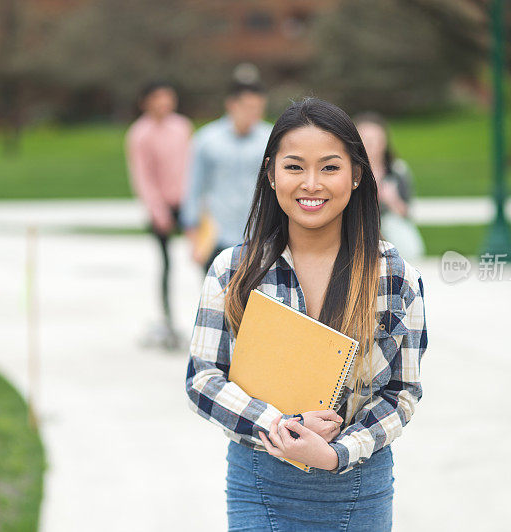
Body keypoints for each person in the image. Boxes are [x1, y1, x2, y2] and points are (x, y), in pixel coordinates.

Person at [185, 98, 428, 530]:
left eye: (330, 167)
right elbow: (204, 379)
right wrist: (281, 425)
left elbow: (401, 394)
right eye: (294, 167)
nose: (311, 183)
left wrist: (337, 453)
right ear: (270, 174)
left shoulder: (394, 276)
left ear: (356, 175)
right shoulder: (233, 270)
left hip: (358, 487)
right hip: (259, 482)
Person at [125, 80, 192, 349]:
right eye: (159, 98)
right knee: (166, 265)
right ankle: (168, 320)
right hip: (161, 208)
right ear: (146, 101)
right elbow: (143, 177)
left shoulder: (181, 127)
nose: (165, 103)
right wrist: (157, 211)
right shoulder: (140, 134)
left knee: (207, 261)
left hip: (187, 204)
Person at [179, 81, 272, 273]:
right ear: (232, 105)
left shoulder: (270, 138)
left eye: (258, 108)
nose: (253, 114)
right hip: (216, 235)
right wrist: (192, 235)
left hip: (258, 235)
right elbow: (194, 186)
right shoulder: (207, 139)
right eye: (249, 107)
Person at [355, 112, 425, 262]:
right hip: (356, 223)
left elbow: (406, 212)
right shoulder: (346, 170)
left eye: (375, 140)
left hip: (388, 224)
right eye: (365, 139)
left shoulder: (397, 170)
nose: (370, 144)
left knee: (400, 234)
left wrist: (391, 200)